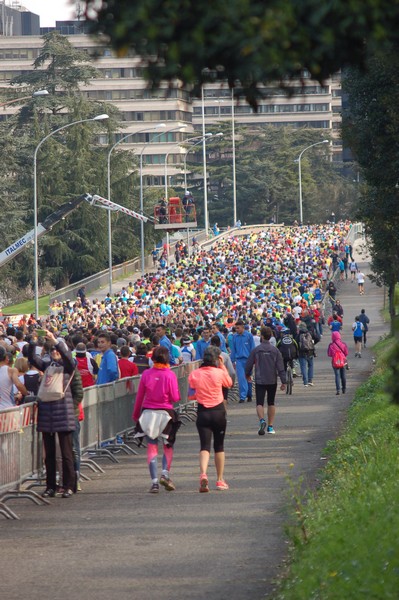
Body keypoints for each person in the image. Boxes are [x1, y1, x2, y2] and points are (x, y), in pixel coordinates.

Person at [28, 330, 78, 498]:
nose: (55, 352)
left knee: (66, 453)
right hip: (47, 414)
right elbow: (32, 359)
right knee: (49, 455)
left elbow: (67, 357)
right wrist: (34, 342)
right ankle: (51, 486)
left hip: (63, 413)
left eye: (57, 350)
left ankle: (69, 485)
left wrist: (56, 341)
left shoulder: (68, 367)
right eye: (52, 351)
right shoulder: (48, 366)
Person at [132, 346, 181, 493]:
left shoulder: (146, 374)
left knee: (152, 448)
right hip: (166, 413)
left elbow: (140, 396)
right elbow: (175, 397)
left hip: (148, 413)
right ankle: (165, 474)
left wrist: (136, 415)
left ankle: (154, 482)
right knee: (168, 445)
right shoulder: (170, 375)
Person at [188, 345, 233, 492]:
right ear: (217, 359)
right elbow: (229, 383)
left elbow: (191, 394)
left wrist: (200, 394)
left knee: (204, 446)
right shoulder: (219, 373)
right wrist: (222, 366)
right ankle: (220, 480)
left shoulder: (195, 374)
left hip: (203, 412)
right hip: (218, 411)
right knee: (219, 446)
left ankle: (203, 474)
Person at [245, 327, 286, 435]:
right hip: (272, 379)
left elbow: (249, 364)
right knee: (271, 402)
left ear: (261, 336)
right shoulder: (275, 350)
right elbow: (280, 366)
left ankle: (262, 420)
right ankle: (270, 426)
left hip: (260, 379)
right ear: (270, 336)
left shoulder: (256, 350)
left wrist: (247, 374)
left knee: (259, 402)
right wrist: (284, 381)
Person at [230, 320, 255, 403]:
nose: (237, 329)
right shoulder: (234, 337)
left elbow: (252, 348)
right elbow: (233, 350)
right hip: (239, 360)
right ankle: (242, 396)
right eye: (236, 328)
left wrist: (253, 359)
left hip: (248, 359)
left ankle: (249, 395)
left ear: (243, 327)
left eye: (238, 328)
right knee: (241, 378)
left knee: (248, 377)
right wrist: (232, 360)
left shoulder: (249, 336)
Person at [297, 322, 316, 387]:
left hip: (302, 352)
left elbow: (296, 343)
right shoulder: (309, 333)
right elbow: (317, 338)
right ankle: (310, 380)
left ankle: (305, 382)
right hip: (310, 351)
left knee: (303, 367)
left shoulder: (298, 335)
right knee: (310, 365)